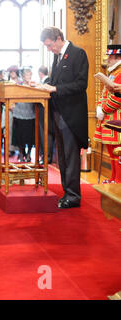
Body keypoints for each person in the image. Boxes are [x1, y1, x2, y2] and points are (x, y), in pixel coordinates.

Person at [40, 26, 89, 209]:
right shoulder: (57, 56)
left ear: (59, 38)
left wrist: (56, 89)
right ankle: (67, 192)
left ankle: (74, 196)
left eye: (50, 45)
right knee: (62, 157)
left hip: (71, 115)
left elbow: (81, 84)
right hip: (58, 113)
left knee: (70, 157)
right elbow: (55, 82)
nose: (49, 49)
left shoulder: (78, 53)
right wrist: (42, 86)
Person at [94, 44, 121, 183]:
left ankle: (118, 180)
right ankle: (113, 178)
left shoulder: (120, 73)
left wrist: (103, 109)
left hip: (117, 118)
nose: (108, 60)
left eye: (110, 57)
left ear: (117, 58)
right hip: (108, 118)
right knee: (111, 152)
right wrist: (99, 106)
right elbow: (104, 94)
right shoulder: (112, 73)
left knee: (117, 151)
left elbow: (117, 98)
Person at [12, 67, 36, 162]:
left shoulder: (33, 85)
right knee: (20, 137)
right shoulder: (18, 85)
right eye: (26, 75)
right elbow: (13, 96)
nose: (28, 76)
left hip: (31, 114)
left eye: (30, 74)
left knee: (30, 137)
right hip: (19, 113)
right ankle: (22, 153)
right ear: (22, 76)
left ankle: (29, 154)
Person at [37, 66, 54, 165]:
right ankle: (44, 155)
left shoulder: (48, 81)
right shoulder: (44, 81)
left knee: (46, 135)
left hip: (46, 112)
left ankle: (48, 157)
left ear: (40, 73)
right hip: (42, 112)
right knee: (43, 135)